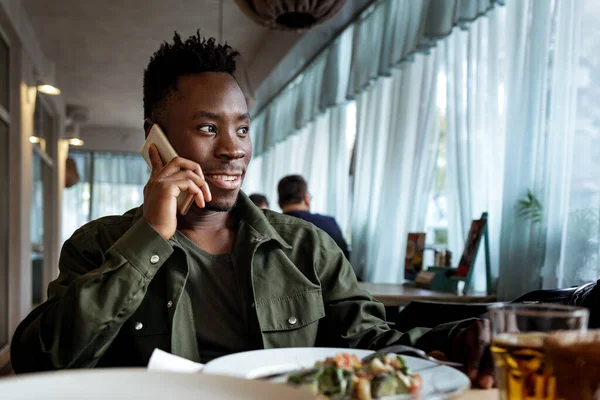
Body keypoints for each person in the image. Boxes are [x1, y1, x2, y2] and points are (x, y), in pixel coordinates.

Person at [10, 31, 495, 389]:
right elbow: (41, 359)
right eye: (207, 128)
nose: (233, 149)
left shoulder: (305, 246)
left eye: (241, 129)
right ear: (153, 139)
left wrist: (452, 339)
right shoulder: (97, 245)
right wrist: (151, 236)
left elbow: (369, 339)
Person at [278, 175, 350, 260]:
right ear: (306, 198)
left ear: (279, 202)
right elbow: (344, 260)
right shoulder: (329, 223)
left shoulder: (268, 226)